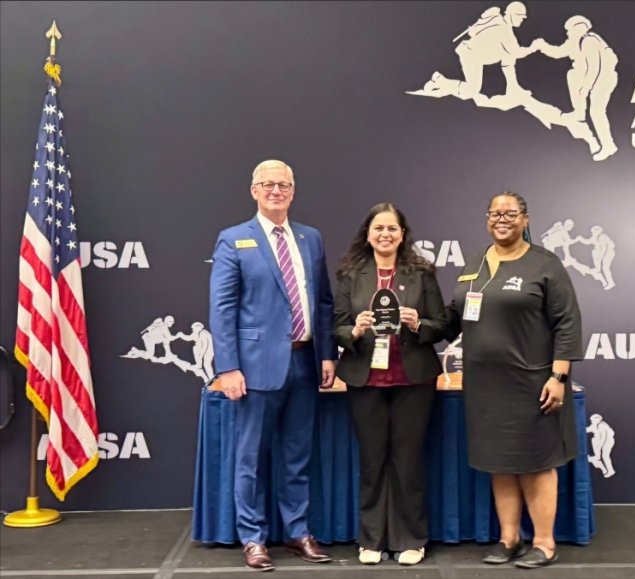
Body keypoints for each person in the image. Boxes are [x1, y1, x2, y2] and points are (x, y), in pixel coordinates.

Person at [209, 159, 337, 572]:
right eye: (267, 185)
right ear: (254, 191)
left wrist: (327, 354)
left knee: (297, 455)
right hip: (256, 367)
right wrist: (227, 367)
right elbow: (223, 308)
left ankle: (298, 532)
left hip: (304, 361)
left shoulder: (310, 238)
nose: (276, 191)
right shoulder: (234, 240)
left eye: (283, 185)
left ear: (293, 191)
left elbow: (322, 303)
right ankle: (253, 538)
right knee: (251, 458)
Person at [445, 191, 583, 569]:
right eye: (494, 213)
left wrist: (558, 376)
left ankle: (543, 541)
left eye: (510, 213)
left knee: (536, 463)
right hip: (485, 385)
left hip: (533, 382)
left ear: (525, 218)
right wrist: (416, 324)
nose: (501, 219)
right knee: (500, 462)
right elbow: (454, 317)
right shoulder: (476, 262)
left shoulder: (545, 264)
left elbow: (568, 324)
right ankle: (509, 539)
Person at [333, 203, 447, 567]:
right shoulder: (351, 273)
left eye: (392, 229)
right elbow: (334, 324)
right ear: (368, 234)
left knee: (408, 461)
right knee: (372, 461)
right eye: (378, 228)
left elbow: (441, 324)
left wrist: (418, 324)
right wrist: (354, 330)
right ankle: (371, 539)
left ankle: (411, 538)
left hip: (413, 379)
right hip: (365, 378)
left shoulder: (421, 272)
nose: (385, 234)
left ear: (402, 234)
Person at [535, 15, 618, 161]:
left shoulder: (589, 41)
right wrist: (542, 46)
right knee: (572, 73)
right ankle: (579, 112)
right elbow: (558, 52)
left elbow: (595, 67)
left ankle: (608, 145)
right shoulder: (574, 42)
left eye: (569, 30)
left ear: (578, 28)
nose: (567, 33)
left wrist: (586, 87)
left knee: (597, 111)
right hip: (591, 77)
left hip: (603, 79)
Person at [419, 1, 538, 101]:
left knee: (508, 55)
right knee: (471, 91)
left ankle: (513, 87)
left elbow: (512, 52)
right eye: (520, 17)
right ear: (512, 14)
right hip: (471, 56)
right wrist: (534, 47)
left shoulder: (502, 24)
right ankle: (439, 80)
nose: (522, 20)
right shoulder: (504, 31)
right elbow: (516, 52)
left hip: (475, 54)